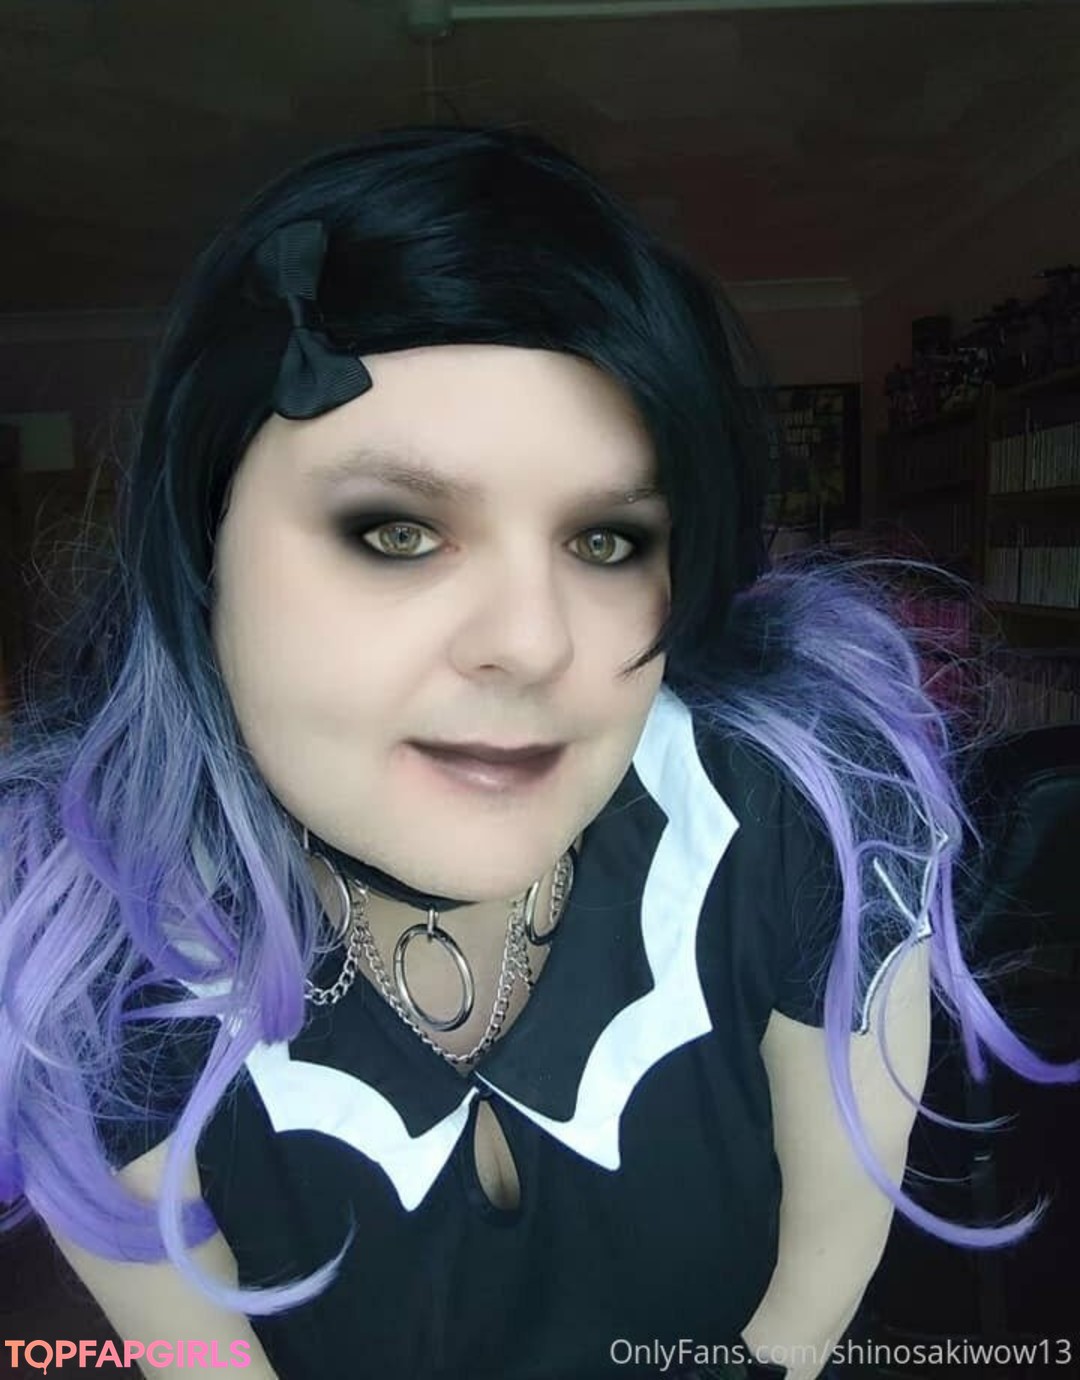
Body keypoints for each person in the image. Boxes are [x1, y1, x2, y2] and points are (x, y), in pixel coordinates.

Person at [0, 123, 1076, 1380]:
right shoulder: (97, 956)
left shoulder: (802, 814)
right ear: (201, 549)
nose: (533, 641)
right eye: (396, 531)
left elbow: (807, 1304)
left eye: (607, 541)